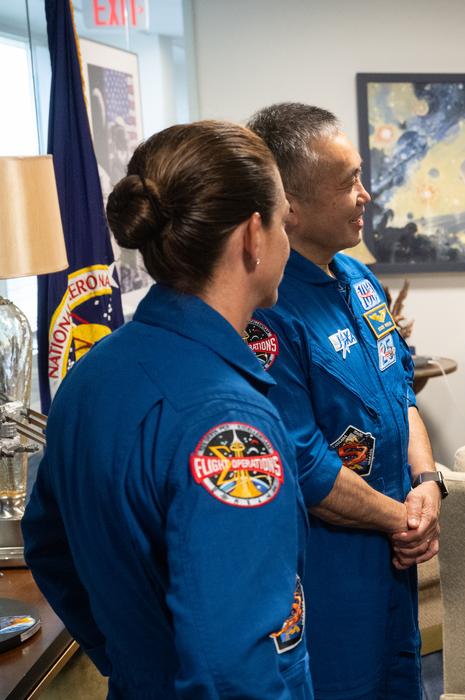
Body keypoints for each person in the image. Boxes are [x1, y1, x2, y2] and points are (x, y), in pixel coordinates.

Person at [23, 121, 311, 697]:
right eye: (284, 218)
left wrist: (134, 660)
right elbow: (232, 671)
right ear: (253, 236)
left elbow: (49, 545)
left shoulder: (91, 373)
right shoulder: (230, 423)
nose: (289, 235)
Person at [247, 103, 443, 700]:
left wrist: (428, 480)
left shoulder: (359, 278)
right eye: (348, 183)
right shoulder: (267, 310)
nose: (366, 195)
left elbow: (401, 388)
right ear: (292, 207)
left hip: (393, 558)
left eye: (361, 175)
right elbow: (301, 461)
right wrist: (404, 519)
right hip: (330, 572)